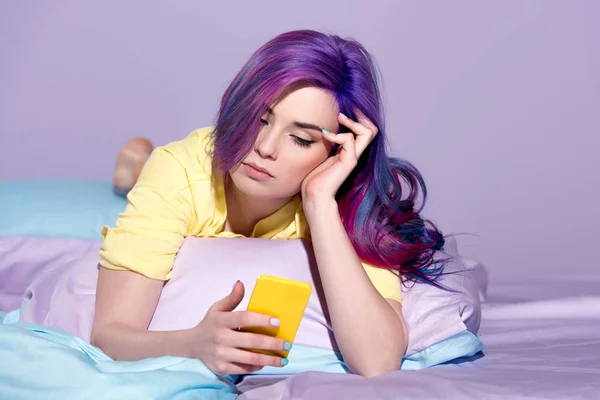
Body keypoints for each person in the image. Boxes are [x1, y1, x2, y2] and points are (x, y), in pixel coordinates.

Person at [92, 29, 445, 379]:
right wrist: (191, 345)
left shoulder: (347, 198)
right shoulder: (180, 169)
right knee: (148, 173)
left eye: (301, 138)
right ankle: (136, 164)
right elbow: (109, 335)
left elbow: (377, 362)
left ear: (339, 149)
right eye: (259, 119)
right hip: (189, 170)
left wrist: (319, 201)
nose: (265, 147)